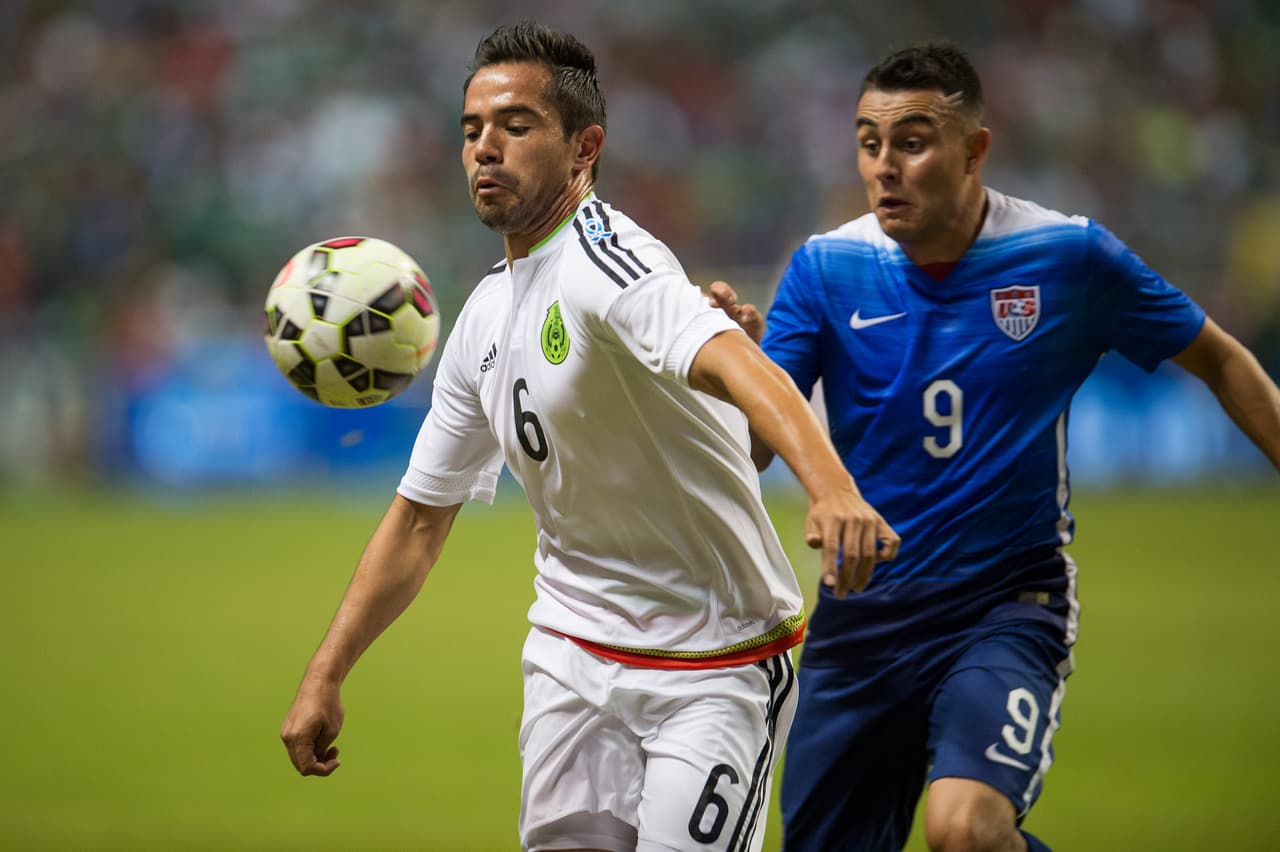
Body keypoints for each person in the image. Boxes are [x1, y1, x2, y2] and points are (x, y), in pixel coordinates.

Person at [279, 21, 899, 852]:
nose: (486, 148)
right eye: (472, 130)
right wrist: (327, 672)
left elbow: (747, 368)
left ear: (584, 147)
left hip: (715, 662)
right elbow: (421, 518)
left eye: (516, 125)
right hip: (572, 658)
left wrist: (832, 488)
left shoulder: (613, 262)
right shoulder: (484, 317)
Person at [710, 41, 1280, 852]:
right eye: (870, 143)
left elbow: (1220, 358)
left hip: (1003, 608)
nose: (885, 166)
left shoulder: (1065, 258)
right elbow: (755, 451)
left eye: (912, 141)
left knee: (967, 830)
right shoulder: (826, 269)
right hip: (861, 617)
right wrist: (735, 367)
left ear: (974, 149)